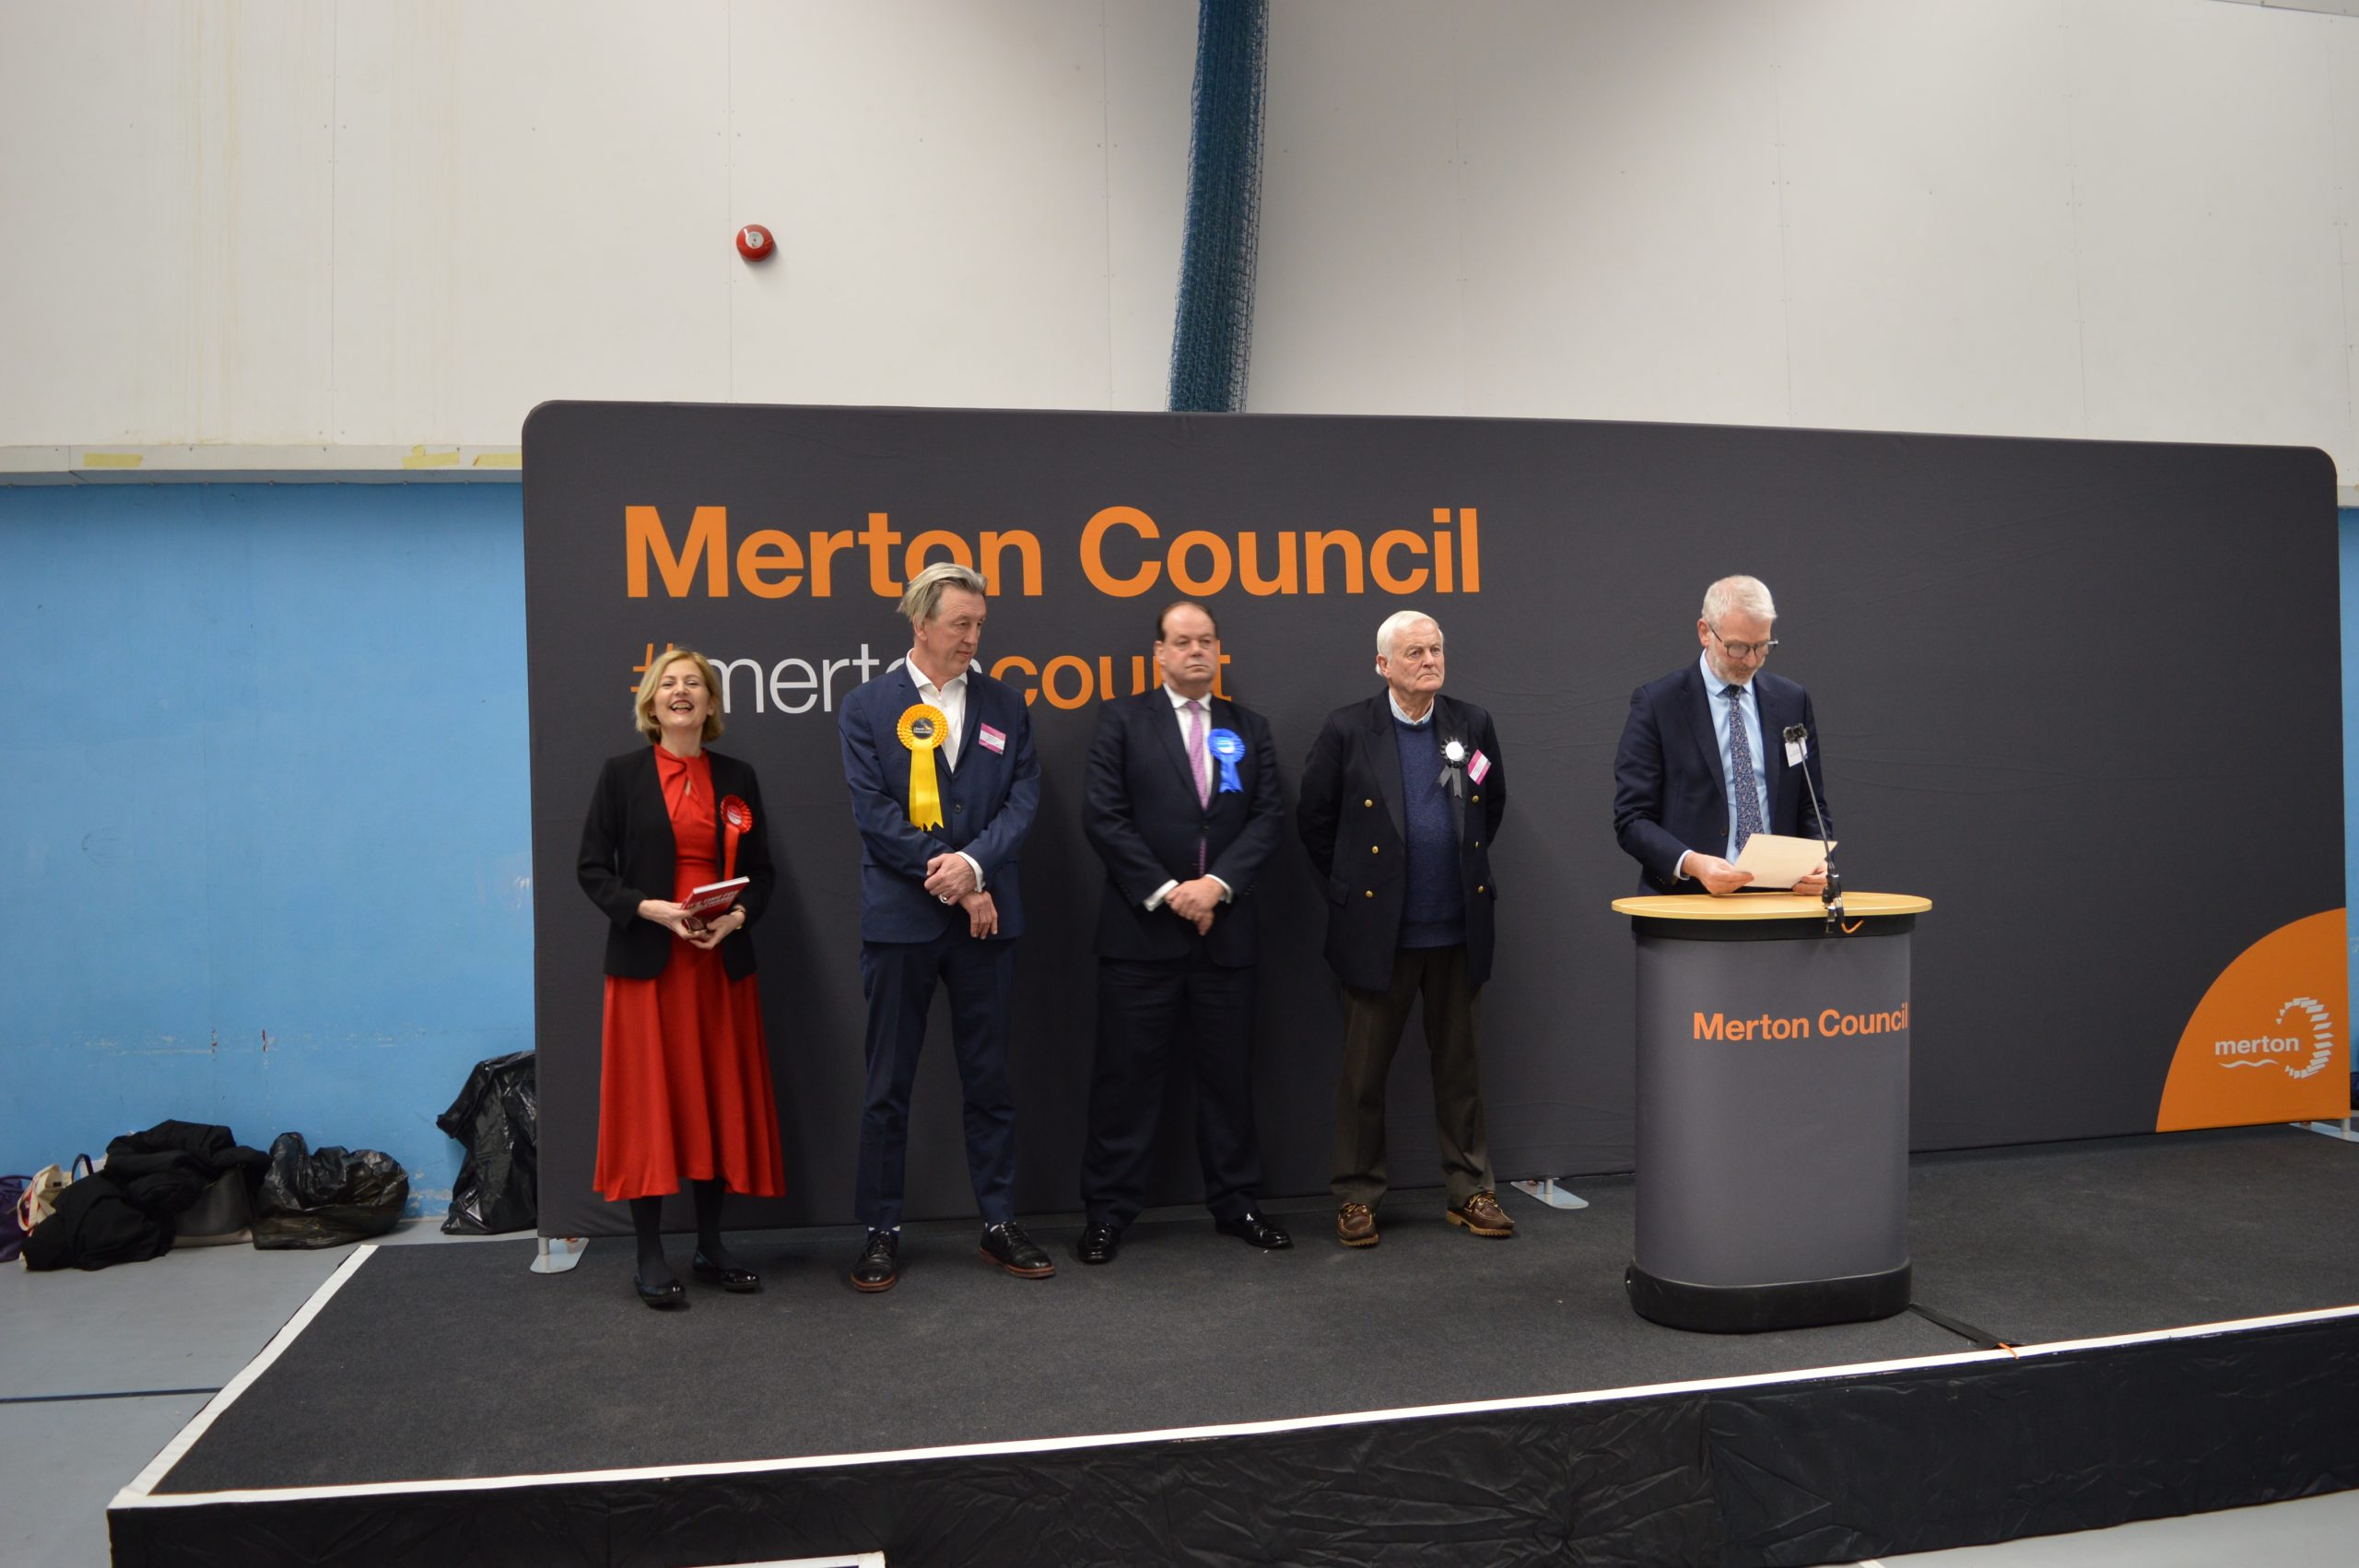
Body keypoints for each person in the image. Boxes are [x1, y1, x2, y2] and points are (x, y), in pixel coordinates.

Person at [837, 561, 1050, 1292]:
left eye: (980, 625)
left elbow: (1024, 799)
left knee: (990, 1080)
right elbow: (874, 813)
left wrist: (975, 868)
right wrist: (955, 881)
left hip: (987, 924)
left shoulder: (1005, 704)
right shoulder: (867, 707)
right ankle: (880, 1230)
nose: (972, 638)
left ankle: (998, 1221)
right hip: (901, 924)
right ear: (920, 622)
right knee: (887, 1084)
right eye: (961, 624)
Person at [1074, 602, 1291, 1265]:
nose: (1196, 651)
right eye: (1183, 642)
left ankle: (1238, 1202)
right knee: (1124, 1083)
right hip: (1140, 939)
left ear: (1218, 650)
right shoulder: (1121, 721)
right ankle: (1108, 1213)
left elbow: (1268, 817)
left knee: (1229, 1081)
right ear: (1160, 653)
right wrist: (1172, 893)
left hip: (1226, 937)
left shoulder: (1249, 728)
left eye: (1206, 641)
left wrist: (1215, 886)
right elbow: (1103, 816)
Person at [1297, 610, 1512, 1249]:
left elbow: (1490, 807)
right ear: (1383, 665)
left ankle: (1470, 1190)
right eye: (1414, 652)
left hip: (1457, 929)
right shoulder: (1347, 729)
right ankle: (1357, 1196)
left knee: (1461, 1072)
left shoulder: (1471, 723)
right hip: (1377, 933)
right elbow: (1315, 821)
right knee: (1362, 1077)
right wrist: (1356, 892)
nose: (1429, 660)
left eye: (1436, 649)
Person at [577, 649, 781, 1309]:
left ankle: (711, 1245)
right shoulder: (621, 775)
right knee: (649, 1104)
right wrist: (652, 910)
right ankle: (648, 1253)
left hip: (718, 963)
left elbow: (763, 873)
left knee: (713, 1097)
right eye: (668, 683)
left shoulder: (737, 777)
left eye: (694, 682)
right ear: (651, 703)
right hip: (649, 967)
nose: (681, 691)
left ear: (711, 702)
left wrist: (737, 919)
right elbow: (591, 869)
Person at [1612, 575, 1831, 896]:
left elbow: (1811, 804)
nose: (1751, 660)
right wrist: (1692, 863)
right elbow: (1632, 818)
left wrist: (1819, 860)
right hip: (1689, 901)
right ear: (1705, 632)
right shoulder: (1658, 704)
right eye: (1738, 647)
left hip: (1778, 900)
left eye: (1762, 646)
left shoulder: (1792, 701)